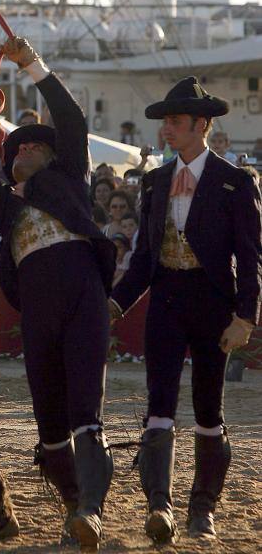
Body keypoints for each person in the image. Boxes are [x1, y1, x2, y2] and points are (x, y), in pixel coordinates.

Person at [0, 37, 116, 549]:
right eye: (17, 149)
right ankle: (75, 503)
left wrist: (30, 64)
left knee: (86, 411)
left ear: (54, 156)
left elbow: (70, 118)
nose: (25, 149)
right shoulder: (5, 208)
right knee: (49, 418)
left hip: (82, 296)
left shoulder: (70, 175)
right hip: (36, 310)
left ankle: (91, 511)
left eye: (35, 145)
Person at [109, 76, 261, 543]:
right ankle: (160, 506)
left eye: (175, 122)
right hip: (167, 302)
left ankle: (202, 510)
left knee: (208, 408)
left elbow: (252, 256)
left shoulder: (236, 182)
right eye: (166, 122)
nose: (167, 130)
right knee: (158, 403)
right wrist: (113, 304)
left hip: (214, 306)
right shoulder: (154, 182)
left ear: (202, 125)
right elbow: (144, 260)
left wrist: (244, 317)